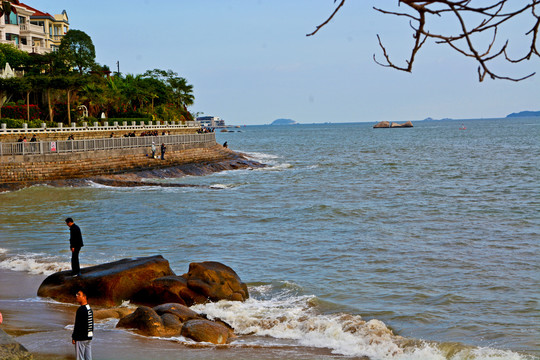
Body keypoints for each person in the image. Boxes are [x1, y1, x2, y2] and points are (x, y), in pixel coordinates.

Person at [72, 289, 94, 360]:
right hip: (89, 337)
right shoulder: (89, 308)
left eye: (79, 295)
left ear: (84, 297)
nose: (77, 296)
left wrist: (74, 337)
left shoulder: (81, 309)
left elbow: (77, 324)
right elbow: (91, 323)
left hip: (81, 338)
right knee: (88, 358)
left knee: (80, 358)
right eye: (76, 294)